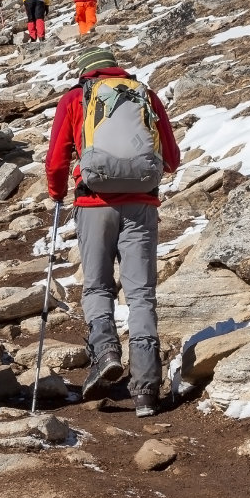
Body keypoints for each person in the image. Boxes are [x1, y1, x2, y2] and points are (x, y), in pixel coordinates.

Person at [44, 47, 180, 417]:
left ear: (86, 72)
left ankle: (105, 353)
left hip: (93, 204)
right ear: (117, 70)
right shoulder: (144, 96)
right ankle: (147, 390)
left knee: (98, 286)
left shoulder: (76, 97)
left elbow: (57, 156)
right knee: (140, 294)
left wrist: (57, 192)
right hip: (141, 205)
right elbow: (171, 159)